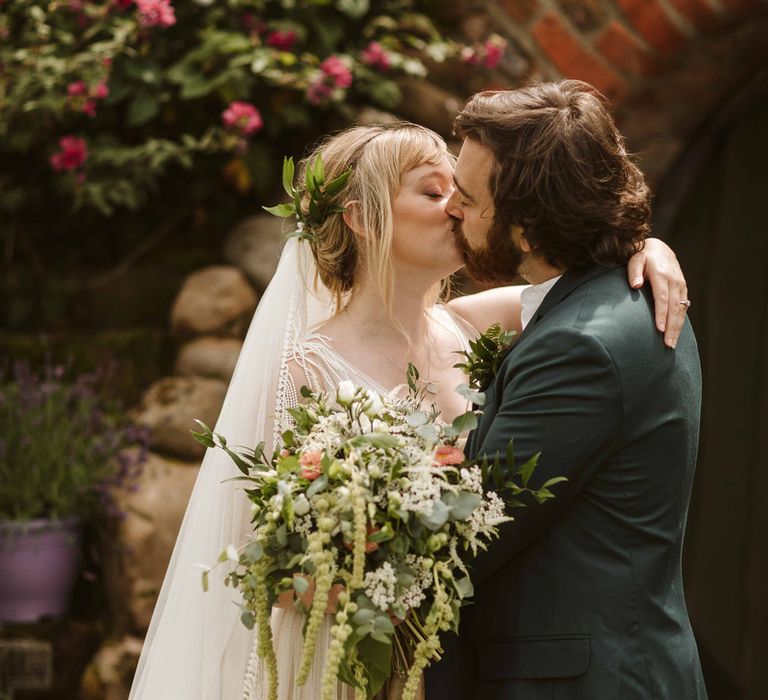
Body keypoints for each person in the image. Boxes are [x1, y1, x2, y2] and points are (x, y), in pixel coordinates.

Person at [128, 120, 688, 699]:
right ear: (361, 218)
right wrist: (372, 575)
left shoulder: (473, 323)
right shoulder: (302, 369)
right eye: (432, 190)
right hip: (345, 665)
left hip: (459, 667)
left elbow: (585, 286)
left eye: (460, 192)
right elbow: (257, 561)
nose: (458, 208)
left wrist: (649, 248)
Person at [424, 81, 707, 699]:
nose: (451, 208)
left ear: (526, 230)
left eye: (468, 199)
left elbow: (474, 533)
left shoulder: (580, 345)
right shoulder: (617, 295)